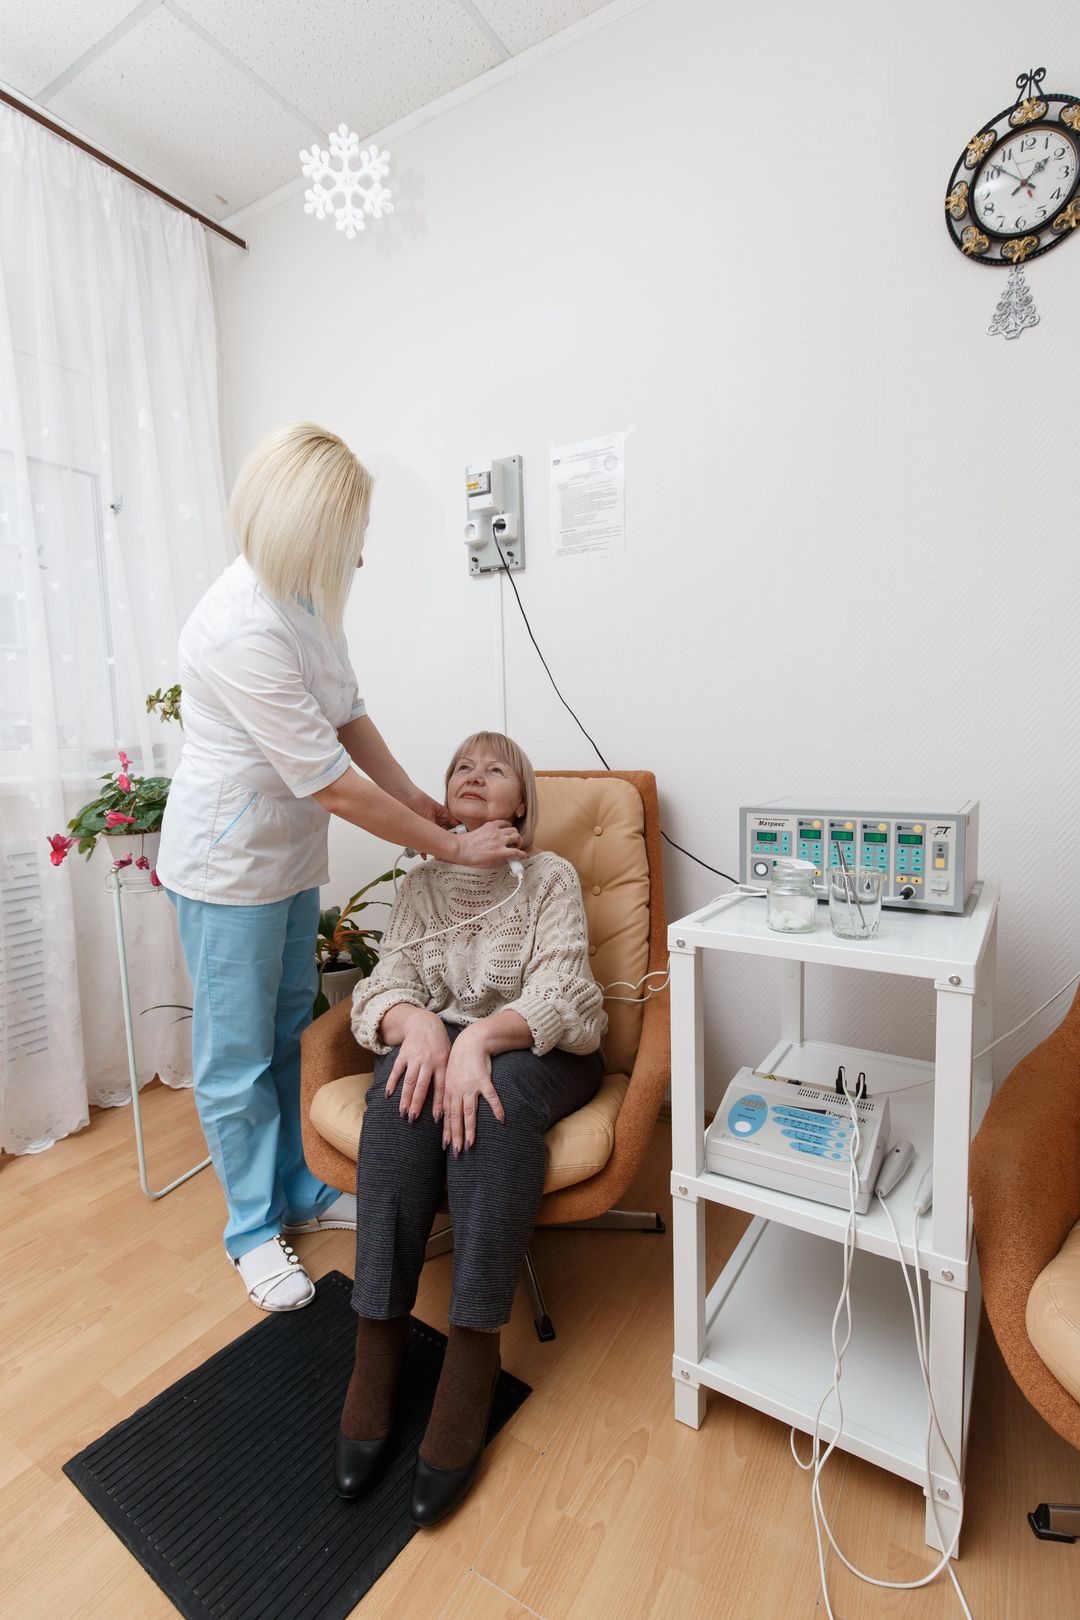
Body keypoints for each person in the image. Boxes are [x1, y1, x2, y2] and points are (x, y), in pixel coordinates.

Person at [156, 424, 520, 1313]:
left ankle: (299, 1188)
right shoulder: (239, 627)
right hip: (228, 864)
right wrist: (450, 844)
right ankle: (251, 1229)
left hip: (284, 855)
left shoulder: (305, 602)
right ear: (306, 530)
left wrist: (424, 803)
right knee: (236, 1055)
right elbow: (330, 782)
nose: (359, 557)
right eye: (349, 538)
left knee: (290, 1027)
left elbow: (351, 719)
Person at [338, 731, 606, 1527]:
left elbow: (565, 991)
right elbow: (385, 984)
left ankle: (473, 1348)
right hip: (449, 1040)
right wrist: (419, 1022)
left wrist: (480, 1039)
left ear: (519, 804)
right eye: (461, 766)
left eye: (495, 769)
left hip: (541, 1047)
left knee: (492, 1103)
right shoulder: (421, 882)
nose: (474, 775)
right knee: (399, 1091)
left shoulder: (549, 877)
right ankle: (378, 1342)